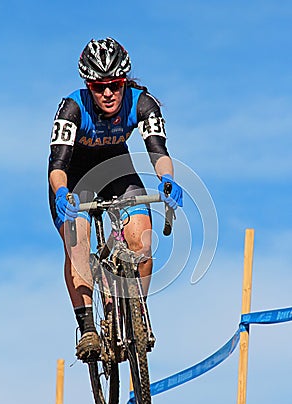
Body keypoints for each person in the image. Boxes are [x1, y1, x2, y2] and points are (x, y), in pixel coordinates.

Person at [48, 37, 183, 361]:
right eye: (98, 87)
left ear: (124, 82)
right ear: (88, 86)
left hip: (116, 170)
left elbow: (158, 153)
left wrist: (167, 180)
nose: (107, 93)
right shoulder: (72, 107)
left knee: (142, 238)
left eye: (114, 85)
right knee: (78, 242)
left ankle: (137, 314)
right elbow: (57, 166)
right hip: (74, 177)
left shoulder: (142, 103)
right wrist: (62, 194)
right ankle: (88, 328)